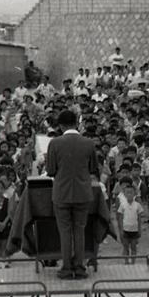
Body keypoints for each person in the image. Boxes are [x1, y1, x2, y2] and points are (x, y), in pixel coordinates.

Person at [44, 109, 99, 279]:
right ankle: (80, 267)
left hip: (62, 193)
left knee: (65, 231)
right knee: (80, 230)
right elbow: (93, 169)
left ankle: (66, 267)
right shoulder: (88, 143)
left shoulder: (55, 143)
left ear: (60, 125)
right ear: (77, 123)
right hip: (83, 193)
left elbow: (51, 170)